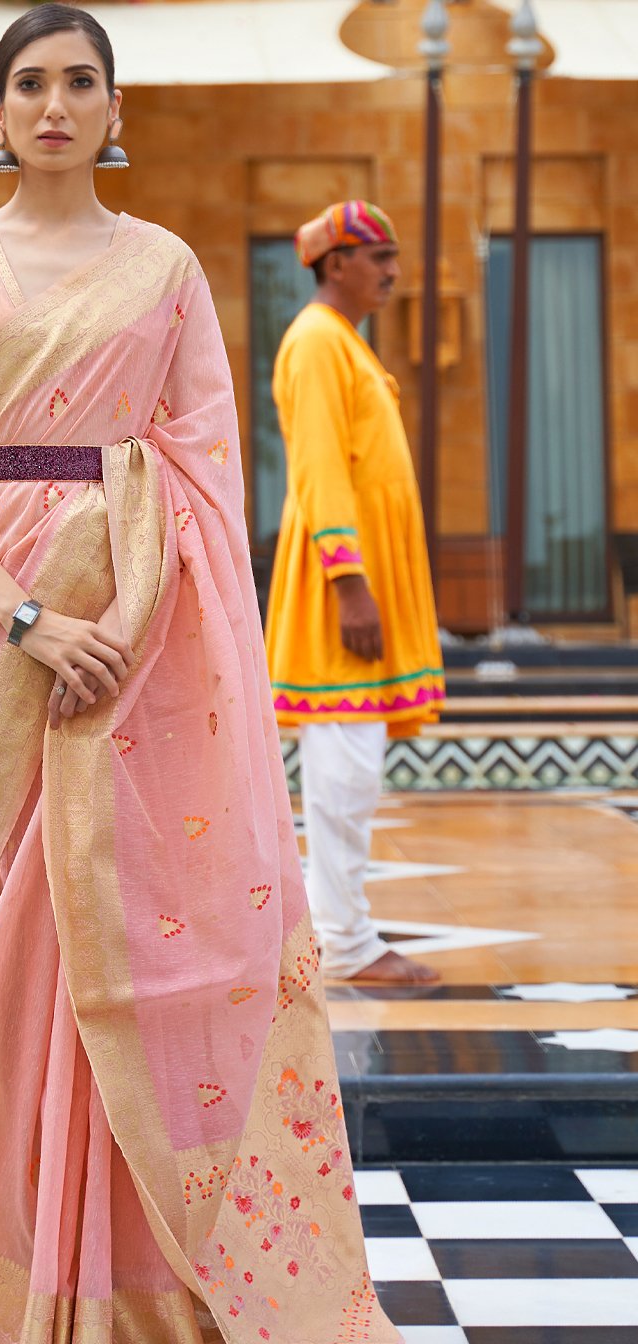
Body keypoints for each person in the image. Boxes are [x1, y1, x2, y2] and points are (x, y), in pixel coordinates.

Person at [0, 9, 401, 1344]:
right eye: (30, 84)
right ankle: (24, 1273)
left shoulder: (164, 264)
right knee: (10, 946)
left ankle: (156, 1282)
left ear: (117, 109)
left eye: (80, 82)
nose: (55, 105)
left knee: (136, 943)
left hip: (139, 637)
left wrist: (118, 620)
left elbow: (204, 463)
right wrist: (28, 617)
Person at [264, 201, 444, 985]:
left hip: (364, 581)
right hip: (343, 587)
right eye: (380, 257)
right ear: (336, 262)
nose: (393, 272)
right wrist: (349, 582)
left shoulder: (343, 344)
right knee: (342, 770)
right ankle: (345, 942)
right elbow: (320, 472)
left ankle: (337, 930)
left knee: (354, 769)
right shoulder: (314, 343)